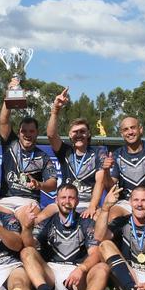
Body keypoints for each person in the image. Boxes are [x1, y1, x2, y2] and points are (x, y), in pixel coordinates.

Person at [20, 183, 110, 290]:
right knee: (26, 252)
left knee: (103, 267)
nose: (66, 201)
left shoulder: (87, 222)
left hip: (76, 277)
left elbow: (95, 253)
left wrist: (82, 269)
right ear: (56, 200)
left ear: (78, 201)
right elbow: (30, 245)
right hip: (50, 274)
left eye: (71, 198)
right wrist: (26, 228)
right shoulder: (46, 222)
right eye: (63, 198)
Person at [0, 79, 57, 222]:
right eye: (24, 131)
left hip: (28, 201)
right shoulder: (10, 144)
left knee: (28, 220)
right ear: (18, 132)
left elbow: (52, 183)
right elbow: (4, 120)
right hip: (6, 200)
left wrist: (39, 184)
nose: (27, 134)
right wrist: (9, 96)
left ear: (36, 133)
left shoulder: (43, 157)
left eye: (31, 131)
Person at [40, 87, 106, 220]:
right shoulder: (65, 151)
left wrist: (92, 206)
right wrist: (56, 110)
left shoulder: (99, 153)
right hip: (65, 202)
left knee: (100, 224)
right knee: (38, 220)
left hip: (88, 202)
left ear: (89, 134)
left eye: (82, 131)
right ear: (70, 135)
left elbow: (100, 181)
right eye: (75, 132)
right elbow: (51, 135)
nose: (79, 135)